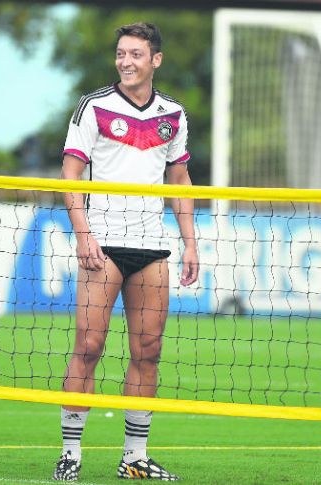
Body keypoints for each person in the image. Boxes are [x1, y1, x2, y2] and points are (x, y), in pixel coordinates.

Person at [52, 22, 198, 482]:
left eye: (136, 54)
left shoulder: (173, 113)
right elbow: (70, 175)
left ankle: (134, 457)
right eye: (121, 54)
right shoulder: (94, 106)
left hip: (152, 247)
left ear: (156, 60)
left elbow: (180, 181)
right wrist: (82, 234)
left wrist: (190, 241)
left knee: (149, 351)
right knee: (89, 346)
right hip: (104, 245)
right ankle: (70, 453)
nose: (126, 62)